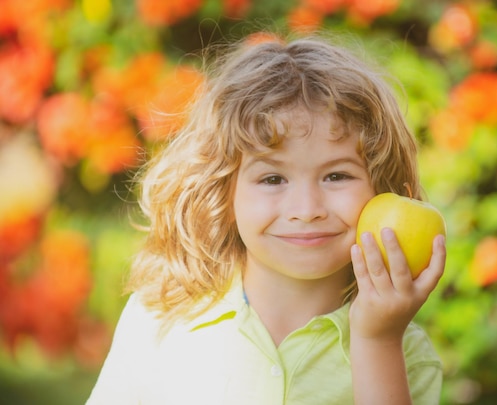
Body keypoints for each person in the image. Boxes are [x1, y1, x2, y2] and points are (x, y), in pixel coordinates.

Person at [86, 34, 447, 405]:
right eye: (273, 179)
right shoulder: (160, 319)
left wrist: (376, 342)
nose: (307, 210)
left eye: (336, 176)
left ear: (382, 189)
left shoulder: (404, 355)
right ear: (223, 189)